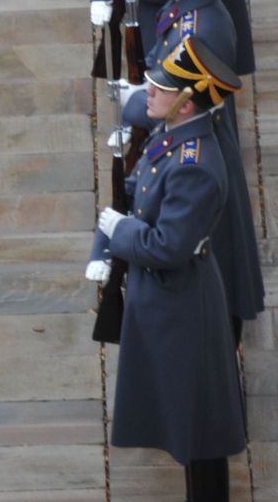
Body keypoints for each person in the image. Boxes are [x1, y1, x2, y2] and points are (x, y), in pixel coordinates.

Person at [92, 39, 245, 501]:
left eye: (160, 88)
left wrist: (119, 235)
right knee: (184, 412)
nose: (149, 93)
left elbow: (168, 246)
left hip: (182, 302)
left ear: (186, 102)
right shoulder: (174, 136)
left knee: (199, 424)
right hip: (165, 296)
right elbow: (140, 185)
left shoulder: (194, 165)